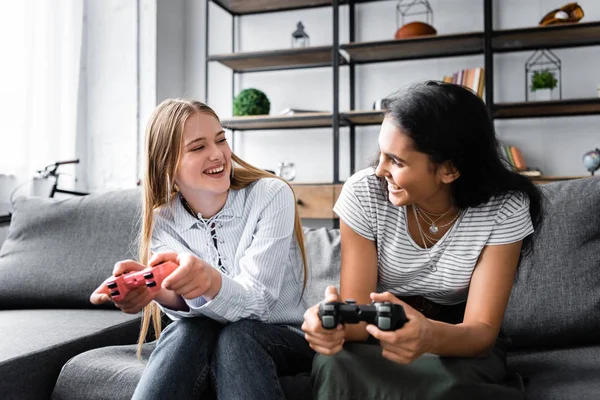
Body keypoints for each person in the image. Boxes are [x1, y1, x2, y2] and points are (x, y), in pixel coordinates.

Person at [302, 81, 543, 399]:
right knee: (334, 365)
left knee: (454, 384)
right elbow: (360, 323)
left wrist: (428, 336)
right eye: (382, 155)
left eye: (396, 162)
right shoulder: (364, 193)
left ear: (449, 169)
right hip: (380, 333)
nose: (379, 171)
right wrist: (326, 325)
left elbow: (481, 332)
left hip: (458, 341)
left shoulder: (505, 207)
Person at [90, 99, 314, 399]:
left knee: (238, 336)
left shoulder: (271, 195)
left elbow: (258, 305)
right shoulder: (163, 220)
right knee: (187, 331)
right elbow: (187, 308)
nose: (217, 154)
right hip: (210, 333)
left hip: (284, 334)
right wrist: (155, 288)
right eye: (198, 148)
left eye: (221, 139)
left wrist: (210, 281)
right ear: (166, 165)